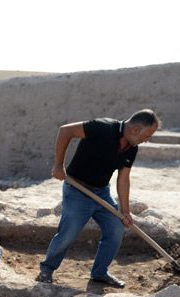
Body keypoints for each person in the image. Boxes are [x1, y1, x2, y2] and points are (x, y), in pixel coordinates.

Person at [36, 110, 160, 287]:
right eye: (147, 135)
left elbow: (123, 179)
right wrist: (58, 165)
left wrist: (125, 211)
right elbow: (66, 131)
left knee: (116, 227)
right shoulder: (103, 128)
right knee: (68, 232)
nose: (147, 140)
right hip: (77, 190)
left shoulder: (131, 149)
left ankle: (100, 273)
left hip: (101, 193)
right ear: (135, 129)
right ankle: (46, 270)